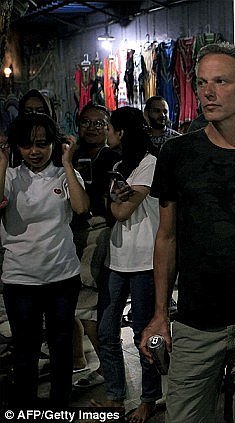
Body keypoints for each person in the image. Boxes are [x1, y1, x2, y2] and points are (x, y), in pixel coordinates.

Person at [139, 42, 235, 422]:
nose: (208, 92)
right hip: (195, 321)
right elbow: (167, 236)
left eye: (221, 81)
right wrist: (160, 313)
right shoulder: (177, 154)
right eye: (202, 82)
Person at [1, 113, 89, 406]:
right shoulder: (11, 176)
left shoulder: (65, 174)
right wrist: (2, 162)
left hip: (62, 276)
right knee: (24, 351)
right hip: (19, 278)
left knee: (61, 348)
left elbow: (80, 208)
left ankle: (59, 408)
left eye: (42, 143)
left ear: (55, 143)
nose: (35, 151)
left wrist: (66, 164)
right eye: (26, 145)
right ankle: (25, 408)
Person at [94, 107, 162, 422]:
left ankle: (149, 398)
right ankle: (115, 396)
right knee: (106, 330)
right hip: (117, 258)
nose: (105, 132)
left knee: (141, 333)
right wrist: (115, 199)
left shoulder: (150, 165)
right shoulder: (119, 165)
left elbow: (119, 212)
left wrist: (115, 200)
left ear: (121, 132)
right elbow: (113, 206)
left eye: (109, 127)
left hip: (145, 260)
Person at [71, 103, 121, 389]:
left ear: (108, 128)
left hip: (101, 232)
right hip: (72, 233)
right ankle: (83, 360)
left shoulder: (114, 158)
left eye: (99, 123)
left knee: (90, 305)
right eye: (86, 123)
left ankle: (107, 368)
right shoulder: (71, 155)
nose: (92, 128)